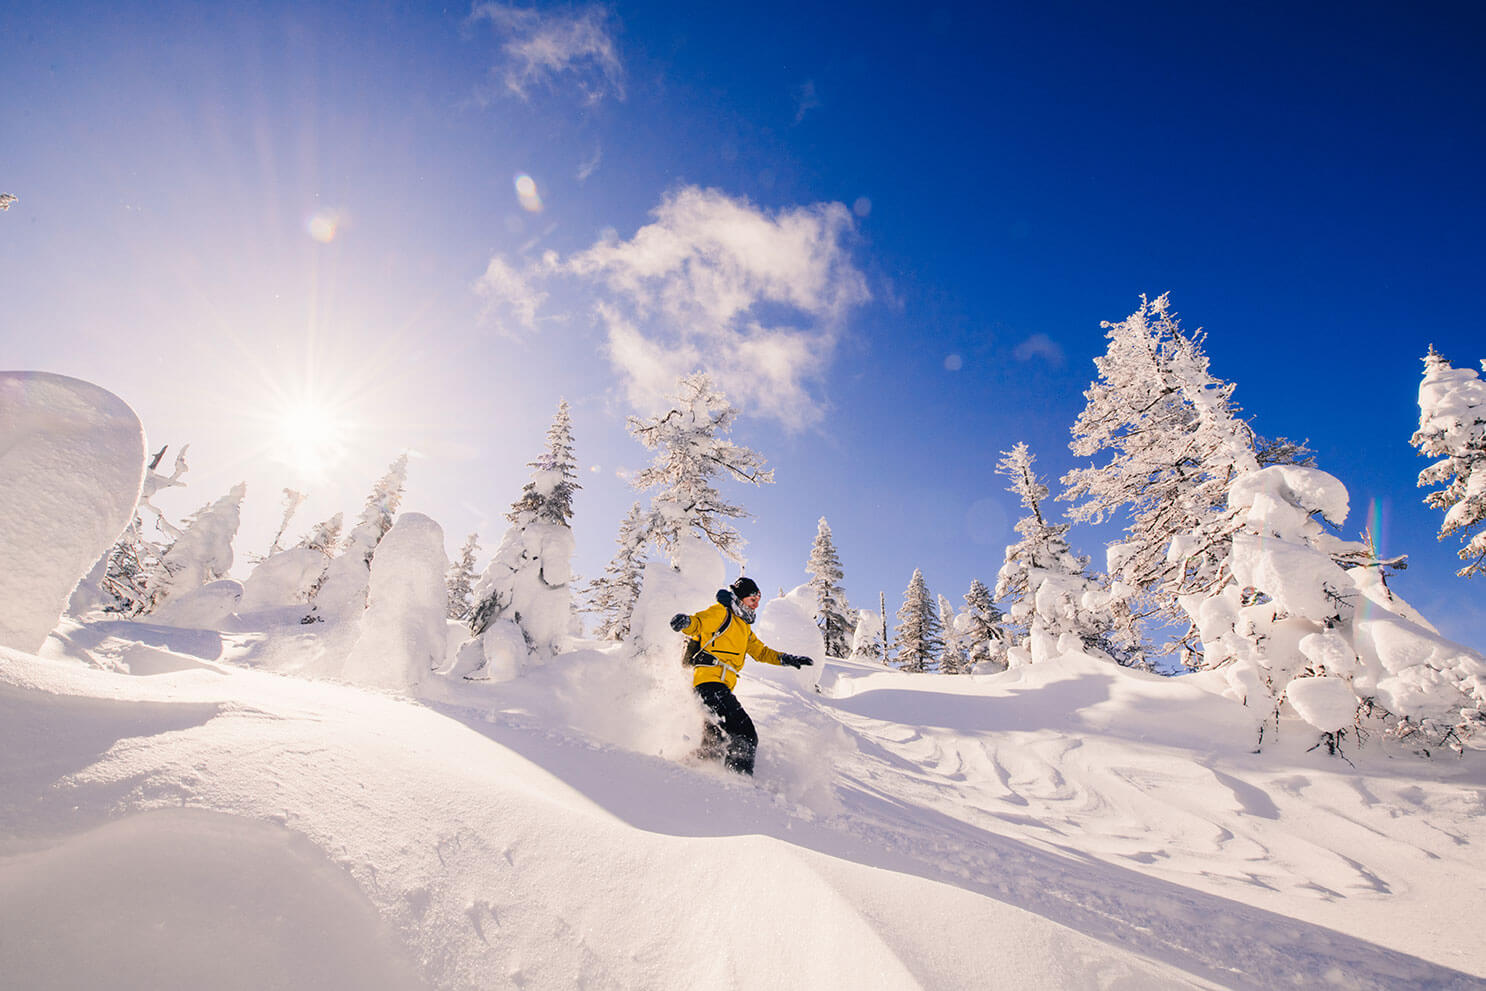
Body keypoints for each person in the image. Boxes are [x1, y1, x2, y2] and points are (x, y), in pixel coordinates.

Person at [669, 576, 814, 775]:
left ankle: (676, 771)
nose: (756, 605)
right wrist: (685, 622)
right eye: (752, 599)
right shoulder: (721, 613)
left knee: (713, 747)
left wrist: (787, 659)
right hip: (709, 685)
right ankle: (739, 785)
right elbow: (698, 623)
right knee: (745, 734)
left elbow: (761, 652)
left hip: (717, 687)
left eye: (758, 601)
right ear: (740, 598)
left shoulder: (744, 628)